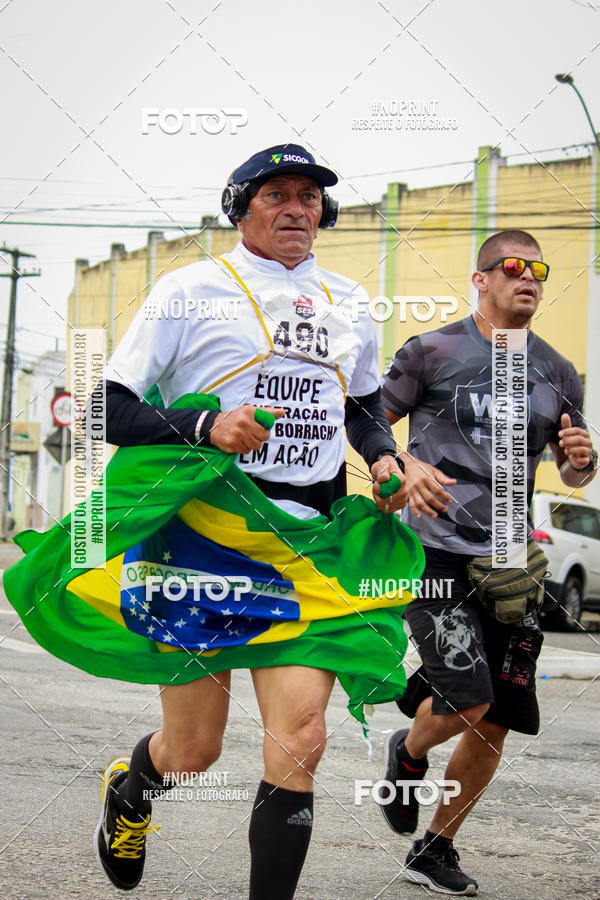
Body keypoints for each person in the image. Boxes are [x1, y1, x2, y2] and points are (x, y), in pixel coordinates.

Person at [94, 143, 407, 897]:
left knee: (301, 741)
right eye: (278, 196)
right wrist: (205, 429)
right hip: (199, 540)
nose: (298, 208)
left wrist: (385, 456)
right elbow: (109, 406)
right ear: (241, 210)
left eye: (310, 197)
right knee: (193, 750)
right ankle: (133, 788)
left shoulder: (348, 301)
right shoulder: (190, 289)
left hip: (305, 543)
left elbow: (361, 404)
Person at [379, 230, 597, 896]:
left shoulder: (559, 372)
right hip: (434, 549)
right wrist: (400, 469)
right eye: (512, 266)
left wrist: (583, 461)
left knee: (499, 712)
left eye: (538, 269)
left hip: (510, 559)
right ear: (481, 279)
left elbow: (573, 470)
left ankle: (434, 848)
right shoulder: (432, 351)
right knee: (470, 700)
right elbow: (370, 427)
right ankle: (409, 752)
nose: (527, 277)